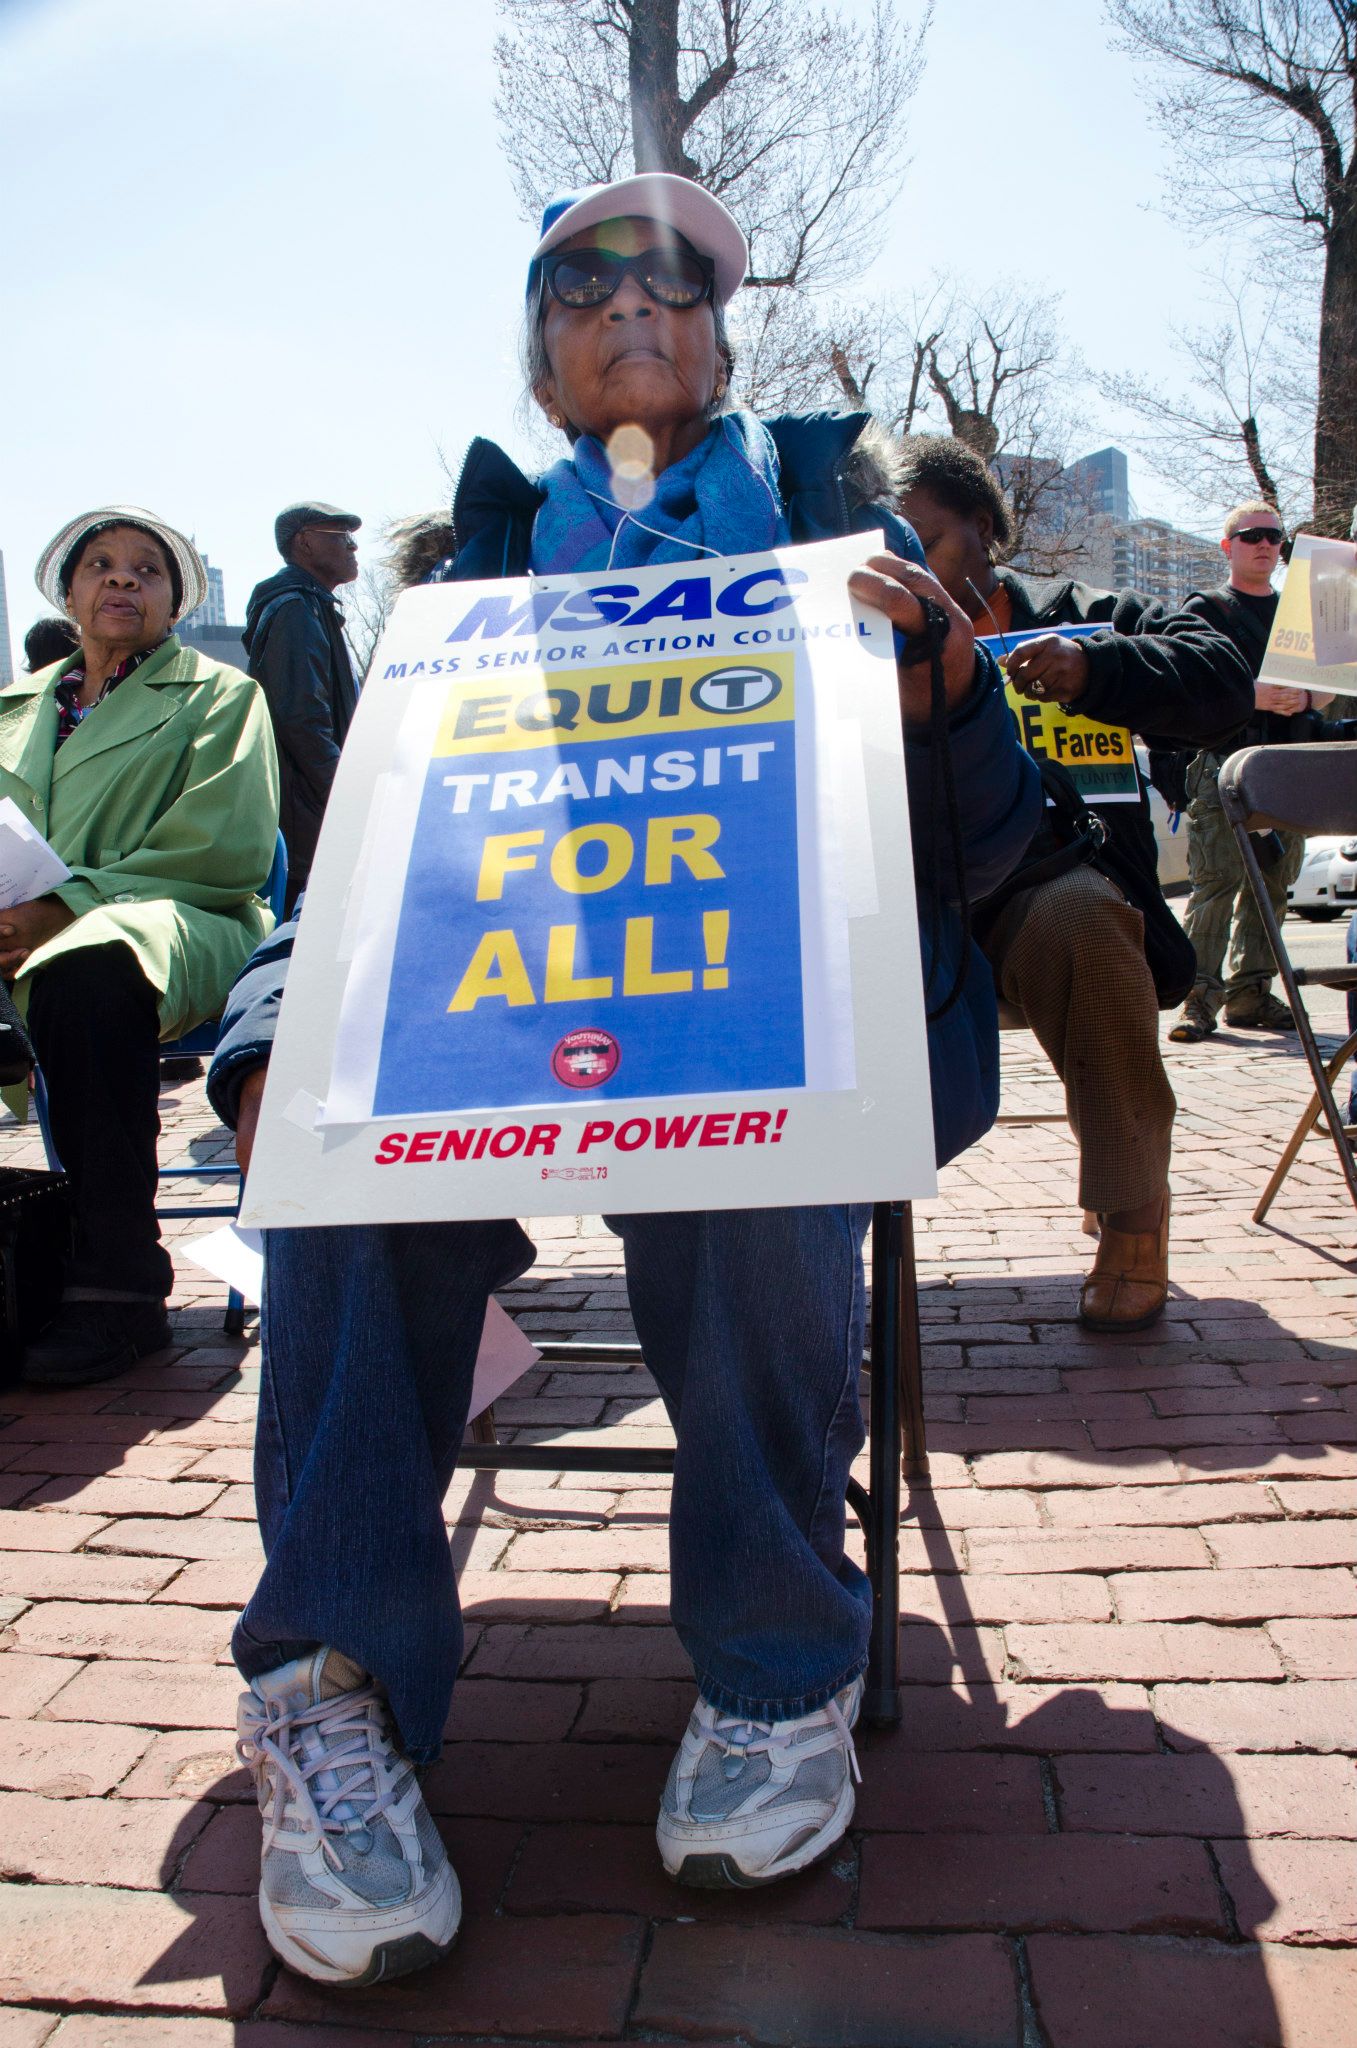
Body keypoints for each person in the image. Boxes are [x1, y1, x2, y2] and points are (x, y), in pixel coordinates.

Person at [206, 174, 1039, 1989]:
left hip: (774, 1013)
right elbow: (358, 863)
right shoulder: (464, 577)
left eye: (672, 280)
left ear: (726, 338)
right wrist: (271, 1034)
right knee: (340, 1161)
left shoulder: (845, 529)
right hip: (499, 1010)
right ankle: (331, 1689)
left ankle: (773, 1669)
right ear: (543, 359)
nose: (632, 304)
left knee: (748, 1150)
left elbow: (993, 857)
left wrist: (945, 712)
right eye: (581, 287)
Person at [897, 436, 1254, 1332]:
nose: (906, 566)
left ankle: (1134, 1211)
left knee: (1087, 925)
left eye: (924, 541)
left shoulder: (1094, 613)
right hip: (904, 899)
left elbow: (1222, 682)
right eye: (886, 544)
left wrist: (1098, 670)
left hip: (1038, 886)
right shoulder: (857, 637)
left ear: (984, 530)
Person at [0, 508, 278, 1385]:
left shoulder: (222, 694)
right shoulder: (14, 707)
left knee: (89, 972)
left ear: (174, 600)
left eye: (147, 569)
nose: (122, 580)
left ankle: (119, 1287)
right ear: (68, 590)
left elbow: (223, 846)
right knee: (68, 970)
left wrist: (64, 907)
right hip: (18, 932)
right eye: (101, 565)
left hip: (179, 915)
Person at [1169, 501, 1336, 1042]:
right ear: (1228, 546)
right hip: (1224, 764)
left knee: (1275, 886)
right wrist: (1256, 694)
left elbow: (1328, 684)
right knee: (1216, 883)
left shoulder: (1297, 614)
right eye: (1251, 536)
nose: (1265, 544)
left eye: (1273, 537)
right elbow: (1189, 686)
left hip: (1288, 767)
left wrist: (1306, 695)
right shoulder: (1204, 610)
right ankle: (1198, 998)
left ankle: (1251, 995)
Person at [243, 503, 361, 913]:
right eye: (340, 536)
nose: (353, 546)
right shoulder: (295, 607)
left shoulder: (311, 605)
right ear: (305, 542)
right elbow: (302, 718)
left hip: (309, 807)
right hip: (308, 814)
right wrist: (344, 795)